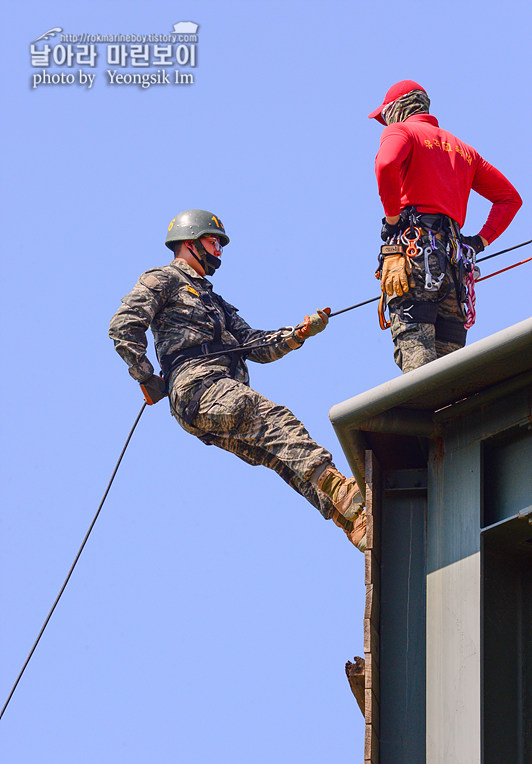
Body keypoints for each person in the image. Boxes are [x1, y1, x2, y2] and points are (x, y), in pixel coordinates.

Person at [109, 209, 366, 550]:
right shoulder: (164, 278)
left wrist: (300, 333)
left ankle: (354, 522)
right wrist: (145, 376)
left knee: (280, 456)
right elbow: (123, 325)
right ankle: (341, 489)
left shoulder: (216, 302)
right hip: (199, 387)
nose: (218, 250)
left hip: (211, 398)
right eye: (213, 241)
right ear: (189, 242)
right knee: (277, 421)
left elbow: (257, 346)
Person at [369, 79, 522, 373]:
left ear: (396, 109)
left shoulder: (400, 131)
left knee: (420, 367)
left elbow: (386, 164)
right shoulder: (464, 150)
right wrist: (479, 242)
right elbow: (509, 199)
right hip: (454, 269)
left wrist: (392, 220)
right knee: (451, 370)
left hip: (415, 259)